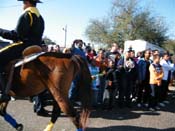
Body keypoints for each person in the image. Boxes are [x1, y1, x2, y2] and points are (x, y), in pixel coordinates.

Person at [0, 0, 44, 102]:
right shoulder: (40, 17)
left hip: (24, 46)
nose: (22, 4)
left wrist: (1, 31)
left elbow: (16, 35)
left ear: (27, 2)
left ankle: (3, 92)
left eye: (23, 2)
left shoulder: (27, 14)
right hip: (37, 46)